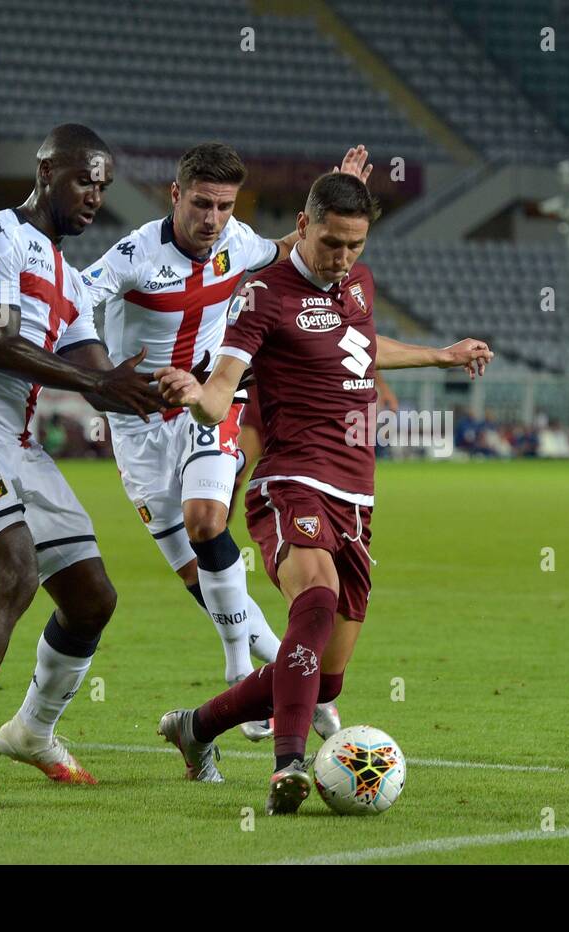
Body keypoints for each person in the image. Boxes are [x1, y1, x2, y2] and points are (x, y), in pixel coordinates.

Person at [153, 172, 493, 812]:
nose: (342, 259)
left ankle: (195, 728)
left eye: (355, 246)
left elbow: (361, 344)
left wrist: (441, 356)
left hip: (357, 494)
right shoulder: (262, 296)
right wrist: (200, 398)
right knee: (313, 601)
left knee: (326, 674)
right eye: (332, 243)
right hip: (291, 481)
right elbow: (226, 384)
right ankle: (288, 766)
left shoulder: (356, 283)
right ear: (302, 227)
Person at [0, 124, 167, 805]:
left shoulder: (72, 281)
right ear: (47, 171)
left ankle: (31, 729)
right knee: (14, 571)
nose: (94, 199)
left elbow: (98, 371)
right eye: (84, 181)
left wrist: (174, 391)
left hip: (18, 446)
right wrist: (100, 387)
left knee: (91, 598)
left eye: (103, 187)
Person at [79, 142, 373, 741]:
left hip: (212, 402)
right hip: (139, 427)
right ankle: (296, 683)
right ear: (175, 195)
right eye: (201, 204)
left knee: (208, 520)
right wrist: (96, 373)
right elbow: (73, 300)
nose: (213, 219)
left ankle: (241, 668)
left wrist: (336, 195)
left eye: (224, 205)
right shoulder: (133, 255)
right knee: (199, 575)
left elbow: (297, 248)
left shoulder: (239, 241)